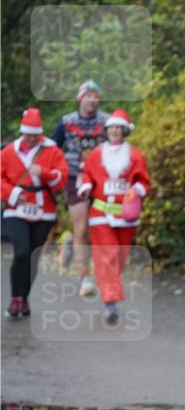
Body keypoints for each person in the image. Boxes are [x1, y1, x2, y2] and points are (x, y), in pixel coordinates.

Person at [75, 109, 149, 325]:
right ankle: (110, 303)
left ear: (124, 131)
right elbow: (85, 175)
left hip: (126, 216)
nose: (115, 131)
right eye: (112, 127)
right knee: (107, 254)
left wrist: (136, 191)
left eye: (119, 128)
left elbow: (144, 182)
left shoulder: (135, 155)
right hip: (101, 213)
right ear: (107, 130)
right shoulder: (97, 154)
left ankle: (109, 290)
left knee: (120, 257)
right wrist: (86, 187)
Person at [1, 108, 68, 317]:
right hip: (16, 209)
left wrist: (44, 173)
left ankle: (25, 298)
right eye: (27, 134)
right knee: (21, 251)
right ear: (22, 132)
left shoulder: (51, 150)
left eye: (34, 134)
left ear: (40, 133)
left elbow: (62, 177)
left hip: (43, 210)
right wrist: (12, 193)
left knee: (32, 256)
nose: (30, 138)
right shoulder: (9, 151)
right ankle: (15, 298)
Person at [51, 79, 109, 298]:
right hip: (75, 178)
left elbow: (121, 146)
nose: (92, 100)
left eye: (96, 96)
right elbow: (51, 148)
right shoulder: (66, 122)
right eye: (88, 95)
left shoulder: (108, 121)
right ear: (80, 98)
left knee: (99, 228)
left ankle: (70, 242)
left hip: (100, 180)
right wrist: (56, 172)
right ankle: (85, 277)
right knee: (82, 227)